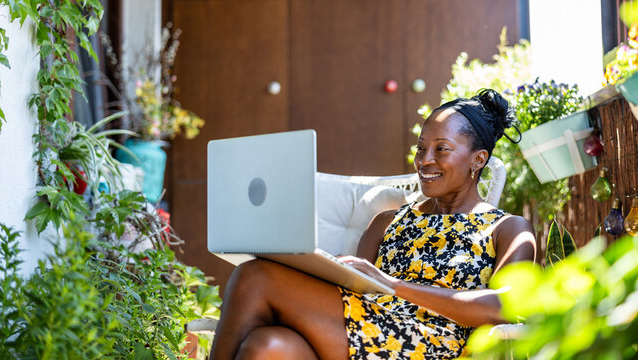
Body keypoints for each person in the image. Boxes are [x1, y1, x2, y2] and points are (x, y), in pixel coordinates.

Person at [210, 89, 537, 360]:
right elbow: (352, 291)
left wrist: (393, 285)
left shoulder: (507, 229)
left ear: (478, 160)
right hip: (363, 332)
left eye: (442, 149)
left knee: (255, 278)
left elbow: (504, 305)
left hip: (433, 346)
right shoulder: (387, 221)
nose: (424, 160)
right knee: (266, 347)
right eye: (421, 148)